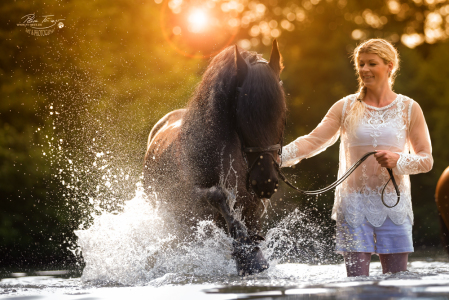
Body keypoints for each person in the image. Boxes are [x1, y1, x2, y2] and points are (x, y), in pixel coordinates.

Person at [281, 39, 433, 276]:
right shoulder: (345, 106)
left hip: (394, 206)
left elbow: (426, 160)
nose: (364, 69)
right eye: (360, 64)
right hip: (353, 205)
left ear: (389, 66)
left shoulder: (410, 108)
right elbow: (313, 141)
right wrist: (274, 157)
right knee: (356, 286)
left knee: (396, 284)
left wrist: (399, 160)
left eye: (372, 63)